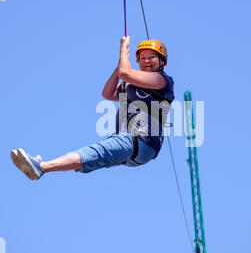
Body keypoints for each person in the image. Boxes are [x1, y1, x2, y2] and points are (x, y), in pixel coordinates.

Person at [11, 37, 175, 180]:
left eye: (152, 57)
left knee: (96, 151)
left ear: (163, 62)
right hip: (135, 148)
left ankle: (42, 167)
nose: (146, 61)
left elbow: (126, 74)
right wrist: (120, 66)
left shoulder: (162, 80)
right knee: (94, 157)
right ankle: (43, 167)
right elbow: (107, 93)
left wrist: (123, 53)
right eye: (142, 58)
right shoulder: (132, 84)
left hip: (142, 139)